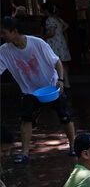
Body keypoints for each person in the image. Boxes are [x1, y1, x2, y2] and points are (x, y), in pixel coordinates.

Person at [0, 16, 76, 163]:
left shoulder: (37, 43)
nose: (2, 36)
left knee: (64, 117)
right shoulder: (4, 51)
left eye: (4, 33)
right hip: (30, 91)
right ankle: (25, 152)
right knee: (26, 119)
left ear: (14, 31)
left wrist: (60, 80)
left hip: (52, 86)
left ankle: (73, 146)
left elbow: (57, 62)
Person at [40, 2, 71, 89]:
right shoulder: (57, 18)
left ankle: (65, 83)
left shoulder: (49, 19)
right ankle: (67, 83)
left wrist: (45, 36)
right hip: (61, 41)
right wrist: (60, 32)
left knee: (58, 63)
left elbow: (52, 33)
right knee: (64, 63)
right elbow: (66, 25)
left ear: (46, 11)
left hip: (54, 43)